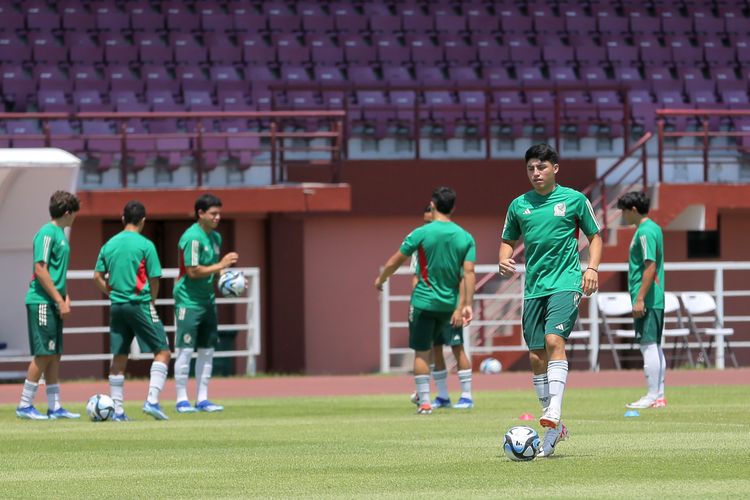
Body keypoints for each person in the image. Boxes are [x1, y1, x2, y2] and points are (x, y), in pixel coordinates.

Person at [499, 144, 602, 457]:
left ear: (555, 168)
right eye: (531, 168)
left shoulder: (574, 200)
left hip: (566, 281)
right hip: (534, 288)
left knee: (554, 339)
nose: (536, 174)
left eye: (541, 168)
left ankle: (554, 410)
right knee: (535, 355)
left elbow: (595, 236)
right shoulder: (519, 205)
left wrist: (592, 268)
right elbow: (507, 241)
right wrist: (503, 260)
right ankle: (555, 426)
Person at [375, 186, 476, 415]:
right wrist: (466, 304)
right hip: (450, 305)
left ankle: (424, 401)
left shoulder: (421, 233)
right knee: (448, 348)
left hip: (423, 302)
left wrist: (380, 279)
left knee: (422, 352)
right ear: (453, 207)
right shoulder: (465, 236)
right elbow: (469, 272)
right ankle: (446, 396)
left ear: (432, 205)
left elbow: (395, 260)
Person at [93, 201, 171, 421]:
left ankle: (117, 411)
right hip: (140, 303)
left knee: (119, 357)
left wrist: (111, 292)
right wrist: (152, 301)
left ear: (122, 219)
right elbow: (154, 279)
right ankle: (152, 401)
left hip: (117, 306)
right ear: (143, 221)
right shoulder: (146, 245)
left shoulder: (109, 244)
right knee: (163, 352)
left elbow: (96, 277)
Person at [17, 191, 81, 420]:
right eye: (74, 213)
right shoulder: (47, 232)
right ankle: (24, 405)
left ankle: (55, 407)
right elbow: (40, 269)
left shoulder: (60, 234)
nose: (75, 217)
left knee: (54, 354)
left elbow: (56, 272)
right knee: (44, 353)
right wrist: (57, 299)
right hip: (42, 302)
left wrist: (65, 295)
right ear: (67, 212)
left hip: (53, 300)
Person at [173, 194, 239, 413]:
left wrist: (231, 280)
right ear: (200, 213)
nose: (217, 217)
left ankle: (202, 399)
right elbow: (192, 271)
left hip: (207, 300)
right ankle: (181, 399)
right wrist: (220, 264)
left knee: (207, 349)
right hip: (188, 301)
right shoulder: (192, 237)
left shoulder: (215, 238)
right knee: (184, 349)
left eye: (219, 213)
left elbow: (215, 270)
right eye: (213, 213)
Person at [408, 204, 474, 409]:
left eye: (431, 208)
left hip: (448, 305)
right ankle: (443, 396)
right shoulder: (419, 240)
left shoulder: (454, 239)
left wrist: (460, 306)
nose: (428, 213)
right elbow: (415, 277)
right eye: (426, 209)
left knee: (456, 346)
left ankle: (466, 396)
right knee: (435, 349)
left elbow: (463, 276)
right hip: (428, 305)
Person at [617, 191, 667, 409]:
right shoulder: (652, 227)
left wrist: (639, 298)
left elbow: (650, 265)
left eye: (625, 212)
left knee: (647, 345)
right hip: (655, 297)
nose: (623, 216)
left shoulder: (645, 231)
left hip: (648, 297)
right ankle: (659, 395)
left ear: (634, 210)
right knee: (655, 345)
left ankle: (652, 395)